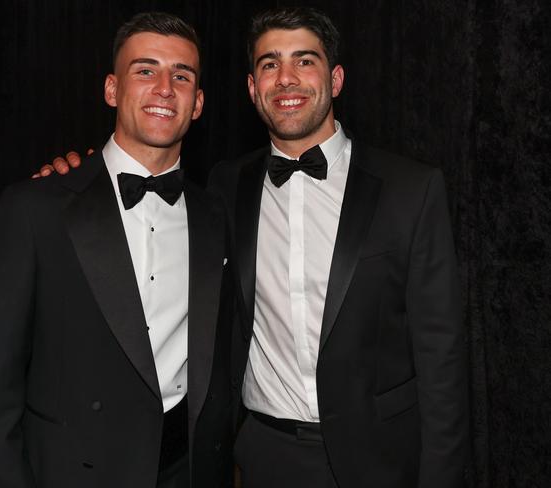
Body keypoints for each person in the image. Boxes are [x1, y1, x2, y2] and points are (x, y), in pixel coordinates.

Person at [49, 7, 470, 488]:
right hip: (263, 456)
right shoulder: (225, 189)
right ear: (253, 88)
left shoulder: (410, 190)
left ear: (335, 79)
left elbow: (443, 361)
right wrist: (75, 177)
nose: (286, 78)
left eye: (304, 61)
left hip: (383, 457)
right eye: (270, 64)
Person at [0, 12, 233, 488]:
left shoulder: (215, 216)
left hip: (187, 469)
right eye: (145, 70)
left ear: (198, 104)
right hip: (76, 469)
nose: (165, 88)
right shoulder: (35, 208)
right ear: (112, 90)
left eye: (182, 75)